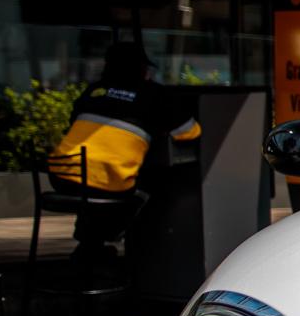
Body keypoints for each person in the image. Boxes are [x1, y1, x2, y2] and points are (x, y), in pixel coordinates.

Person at [48, 42, 200, 263]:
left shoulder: (94, 91)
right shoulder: (154, 94)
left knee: (94, 179)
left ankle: (89, 246)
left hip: (61, 178)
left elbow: (74, 124)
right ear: (142, 69)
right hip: (104, 185)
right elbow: (189, 132)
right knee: (145, 185)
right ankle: (129, 249)